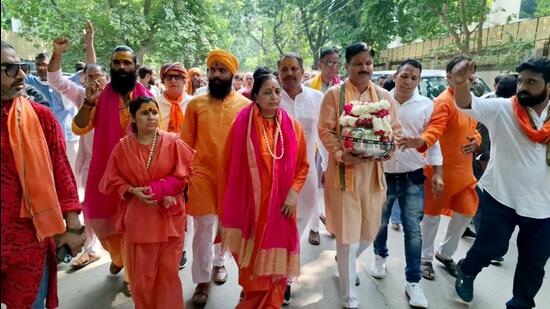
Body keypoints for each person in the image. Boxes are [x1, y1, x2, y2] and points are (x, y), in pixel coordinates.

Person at [452, 57, 550, 309]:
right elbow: (465, 103)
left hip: (543, 207)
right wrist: (461, 82)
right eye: (520, 81)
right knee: (490, 248)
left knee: (533, 264)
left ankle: (520, 304)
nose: (522, 87)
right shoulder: (503, 109)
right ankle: (468, 269)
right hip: (500, 196)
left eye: (531, 82)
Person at [1, 40, 85, 308]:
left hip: (29, 240)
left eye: (21, 67)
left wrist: (73, 228)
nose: (22, 75)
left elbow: (62, 173)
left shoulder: (40, 117)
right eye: (11, 69)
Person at [318, 42, 401, 309]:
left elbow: (395, 131)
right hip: (344, 174)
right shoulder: (334, 95)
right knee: (347, 237)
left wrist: (389, 150)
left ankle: (346, 260)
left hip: (374, 176)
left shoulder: (384, 96)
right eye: (358, 63)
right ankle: (349, 299)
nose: (364, 68)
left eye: (368, 63)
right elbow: (326, 131)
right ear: (348, 66)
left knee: (368, 233)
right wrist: (342, 154)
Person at [221, 72, 309, 309]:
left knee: (276, 270)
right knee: (252, 270)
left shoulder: (292, 126)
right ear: (256, 96)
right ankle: (253, 299)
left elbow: (303, 165)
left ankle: (270, 303)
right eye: (267, 92)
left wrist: (293, 193)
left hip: (282, 209)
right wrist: (236, 202)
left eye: (277, 91)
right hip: (250, 210)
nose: (274, 96)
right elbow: (228, 166)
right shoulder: (241, 125)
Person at [99, 96, 195, 309]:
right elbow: (111, 179)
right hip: (139, 220)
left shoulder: (173, 141)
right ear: (132, 117)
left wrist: (163, 189)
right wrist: (132, 190)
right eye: (144, 113)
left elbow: (186, 174)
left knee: (168, 276)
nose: (151, 117)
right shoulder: (123, 147)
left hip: (169, 218)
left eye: (153, 111)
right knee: (142, 279)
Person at [72, 45, 152, 293]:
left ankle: (130, 273)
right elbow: (79, 128)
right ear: (111, 66)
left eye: (127, 63)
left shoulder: (146, 96)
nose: (122, 67)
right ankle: (118, 258)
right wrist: (88, 102)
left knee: (133, 225)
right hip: (105, 172)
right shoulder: (100, 95)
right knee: (102, 223)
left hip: (136, 173)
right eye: (117, 63)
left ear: (135, 66)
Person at [400, 55, 482, 281]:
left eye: (471, 72)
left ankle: (445, 253)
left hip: (464, 173)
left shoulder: (471, 100)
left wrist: (477, 140)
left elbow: (474, 128)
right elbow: (435, 129)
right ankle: (425, 258)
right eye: (464, 72)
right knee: (432, 216)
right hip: (441, 171)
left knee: (467, 210)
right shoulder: (444, 101)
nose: (470, 77)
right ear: (450, 77)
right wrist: (422, 141)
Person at [370, 59, 444, 308]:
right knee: (379, 222)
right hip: (383, 174)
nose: (408, 81)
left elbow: (433, 141)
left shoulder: (426, 105)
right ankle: (379, 256)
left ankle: (413, 282)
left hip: (413, 175)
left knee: (413, 230)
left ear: (419, 81)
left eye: (414, 78)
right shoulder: (381, 101)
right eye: (405, 76)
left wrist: (438, 173)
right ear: (396, 75)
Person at [181, 49, 250, 306]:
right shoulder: (196, 104)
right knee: (203, 227)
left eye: (222, 70)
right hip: (202, 174)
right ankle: (201, 279)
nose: (216, 75)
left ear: (232, 74)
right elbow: (185, 143)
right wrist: (184, 177)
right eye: (212, 70)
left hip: (233, 177)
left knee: (228, 225)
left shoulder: (245, 106)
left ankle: (219, 263)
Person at [47, 36, 107, 268]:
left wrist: (90, 41)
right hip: (91, 163)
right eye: (89, 76)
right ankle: (92, 249)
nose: (94, 80)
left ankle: (125, 259)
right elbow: (55, 79)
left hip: (118, 163)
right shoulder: (81, 95)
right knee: (90, 205)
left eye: (98, 76)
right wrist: (58, 53)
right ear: (84, 79)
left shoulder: (117, 95)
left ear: (106, 78)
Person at [278, 53, 326, 247]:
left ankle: (291, 251)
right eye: (284, 69)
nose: (289, 73)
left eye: (294, 68)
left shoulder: (317, 98)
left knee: (305, 211)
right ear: (278, 73)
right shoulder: (271, 98)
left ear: (302, 72)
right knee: (280, 216)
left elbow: (323, 135)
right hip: (277, 171)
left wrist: (328, 165)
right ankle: (283, 256)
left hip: (307, 170)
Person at [25, 51, 80, 173]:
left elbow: (90, 70)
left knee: (72, 172)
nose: (41, 68)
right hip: (43, 136)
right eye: (38, 64)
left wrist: (89, 41)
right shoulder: (31, 82)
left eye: (44, 64)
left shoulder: (66, 83)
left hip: (68, 137)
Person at [157, 62, 192, 134]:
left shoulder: (192, 102)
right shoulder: (155, 103)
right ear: (163, 81)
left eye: (177, 77)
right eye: (169, 77)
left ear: (184, 81)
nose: (173, 80)